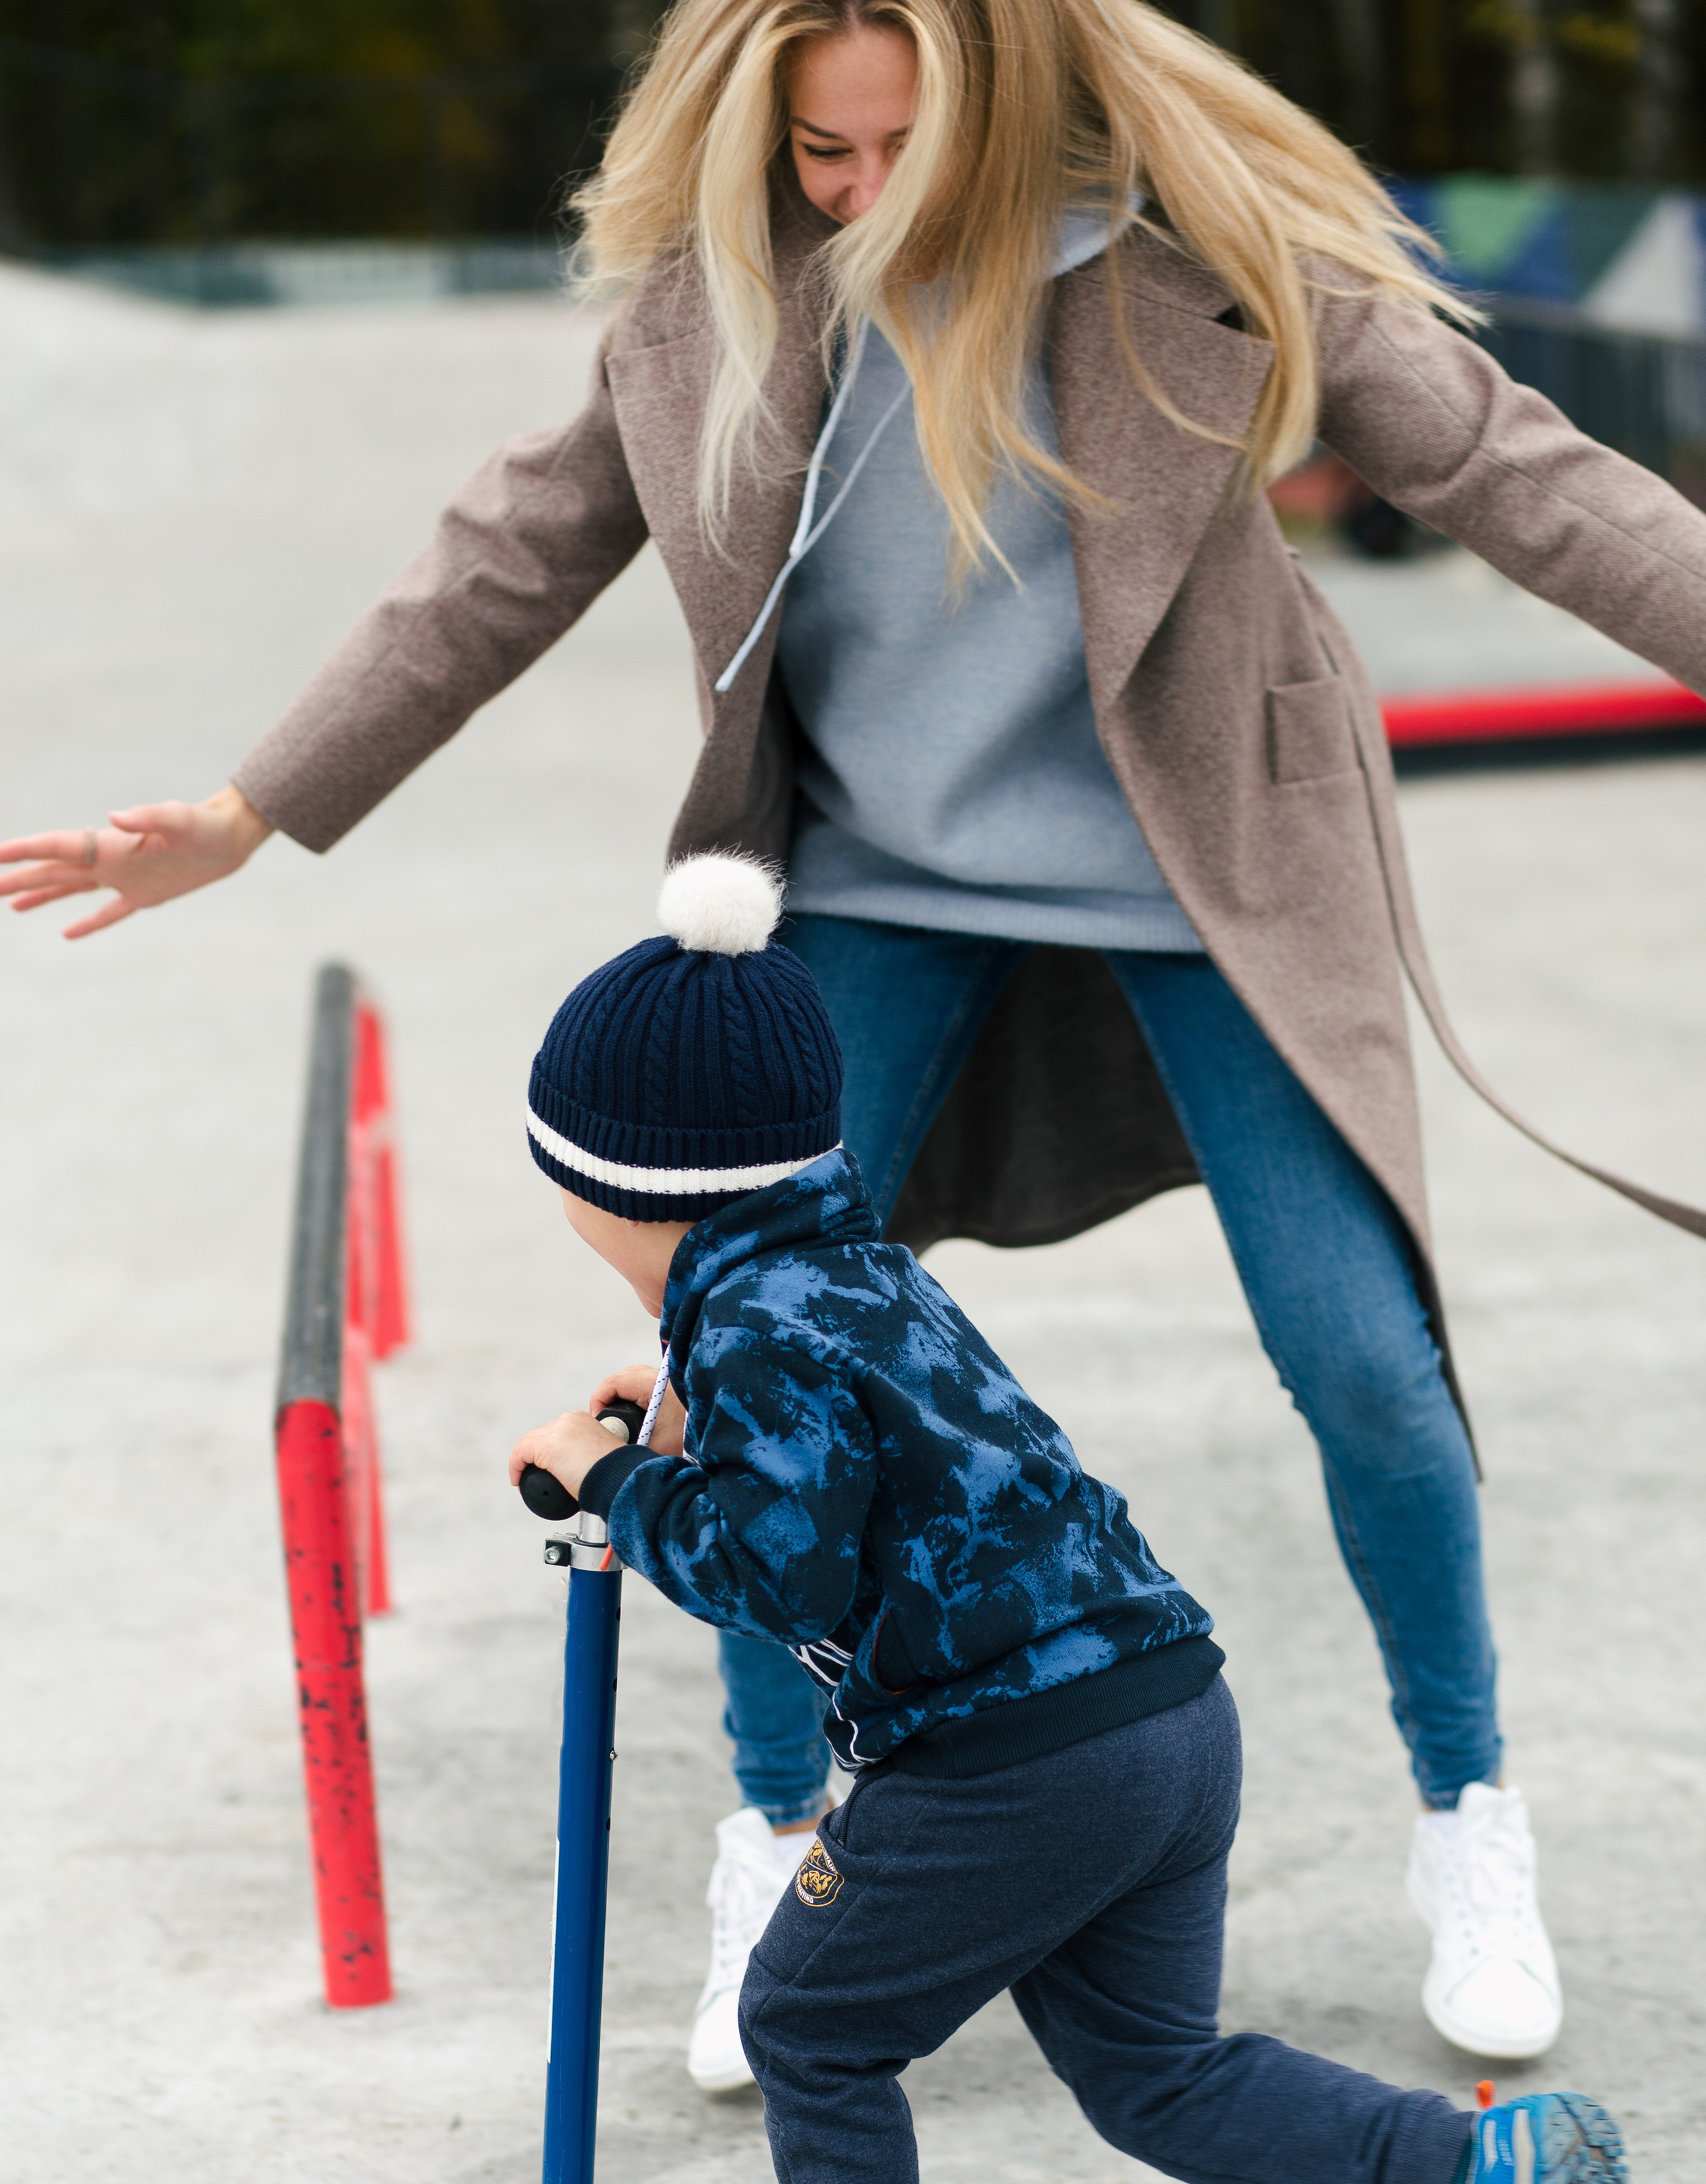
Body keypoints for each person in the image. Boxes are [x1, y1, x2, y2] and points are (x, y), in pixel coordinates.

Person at [9, 0, 1706, 2079]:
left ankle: (1467, 1818)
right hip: (874, 879)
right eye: (822, 153)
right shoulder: (721, 304)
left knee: (1362, 1352)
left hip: (1210, 874)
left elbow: (1516, 469)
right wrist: (251, 811)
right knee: (757, 1353)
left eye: (906, 145)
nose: (862, 191)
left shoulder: (1212, 249)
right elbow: (509, 556)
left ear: (1019, 110)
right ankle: (788, 1841)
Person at [506, 854, 1664, 2184]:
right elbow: (873, 1449)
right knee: (1158, 2079)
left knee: (809, 2028)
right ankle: (1480, 2175)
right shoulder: (847, 1264)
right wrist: (687, 1416)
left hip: (1008, 1759)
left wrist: (613, 1484)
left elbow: (784, 1568)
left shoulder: (752, 1328)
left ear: (624, 1188)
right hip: (1165, 1712)